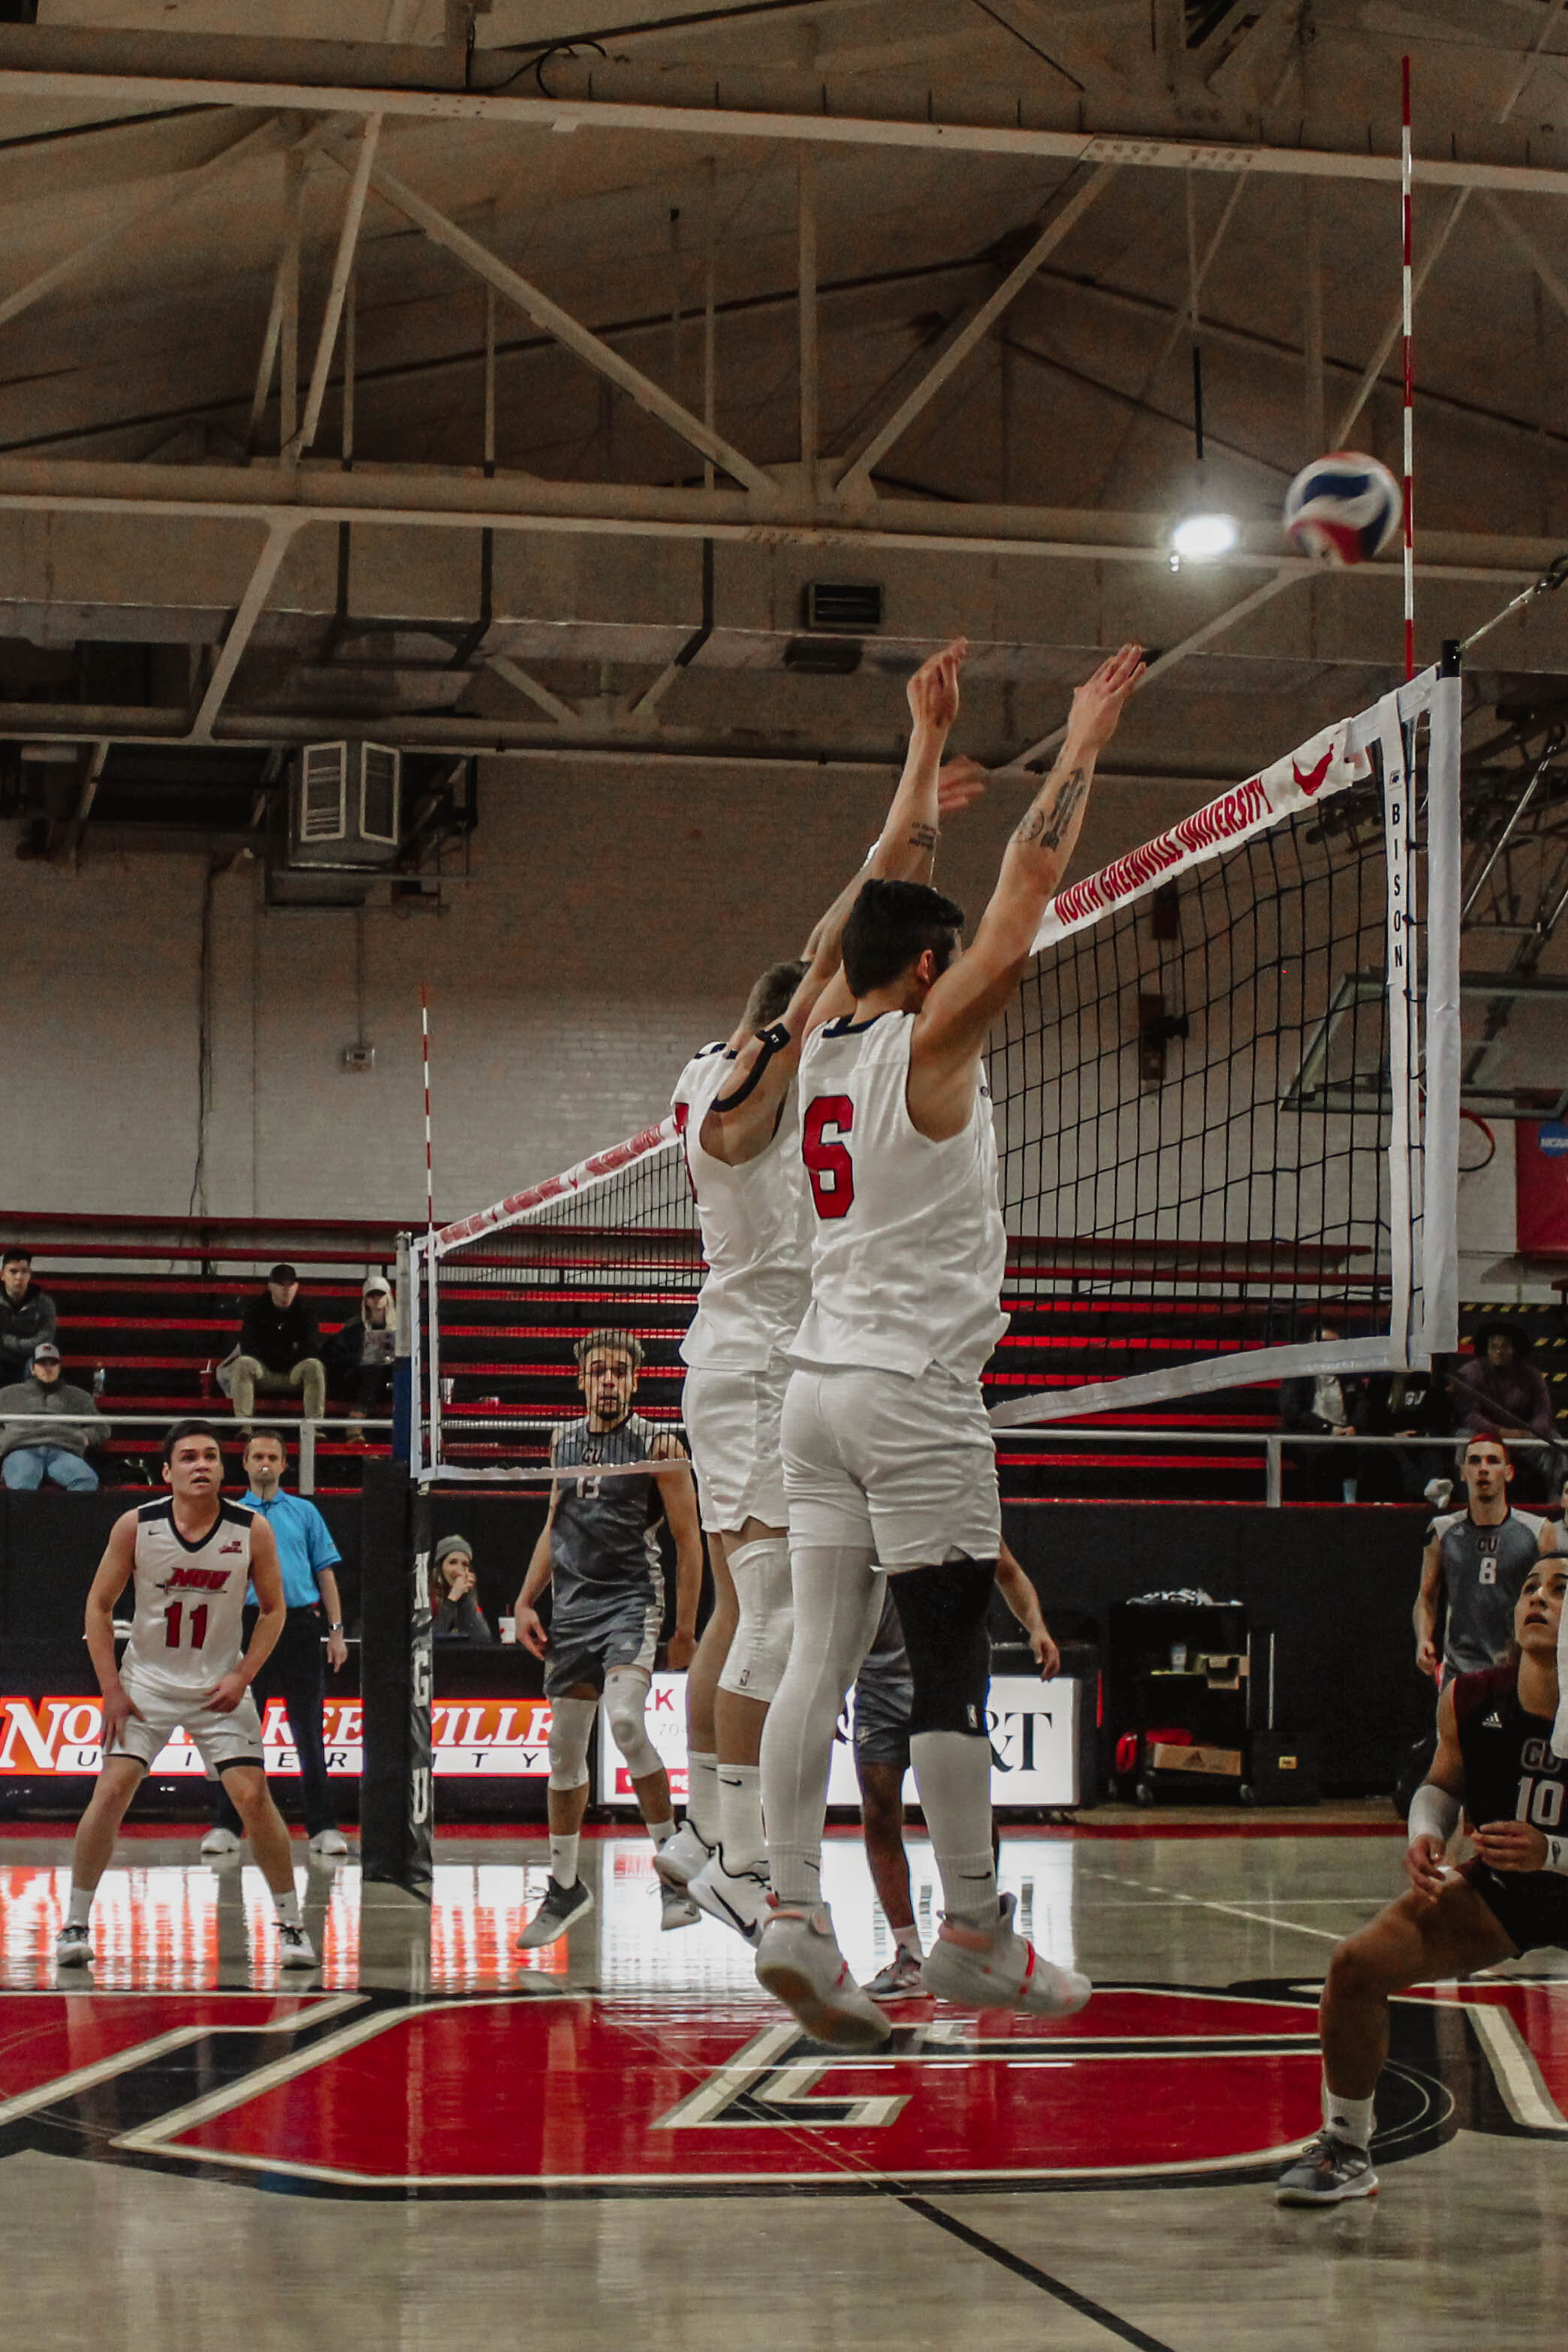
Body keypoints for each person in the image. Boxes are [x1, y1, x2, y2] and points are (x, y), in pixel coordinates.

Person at [750, 639, 1143, 2049]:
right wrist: (1085, 734)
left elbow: (861, 894)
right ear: (924, 964)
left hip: (812, 1389)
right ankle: (974, 1927)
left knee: (814, 1657)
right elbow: (1028, 894)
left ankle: (791, 1911)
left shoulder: (805, 1044)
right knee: (941, 1660)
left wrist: (919, 752)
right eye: (941, 952)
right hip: (914, 1392)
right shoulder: (925, 1046)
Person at [661, 651, 988, 1947]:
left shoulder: (737, 1069)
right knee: (786, 1613)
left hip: (766, 1360)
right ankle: (737, 1850)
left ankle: (707, 1830)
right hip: (756, 1360)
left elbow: (849, 912)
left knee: (753, 1609)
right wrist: (910, 777)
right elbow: (836, 934)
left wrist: (916, 770)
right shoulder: (751, 1090)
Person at [1276, 1556, 1568, 2203]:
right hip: (1506, 1892)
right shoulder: (1471, 1697)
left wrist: (1552, 1852)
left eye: (1560, 1589)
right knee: (1356, 1966)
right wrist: (1424, 1834)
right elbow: (1442, 1782)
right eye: (1528, 1589)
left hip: (1549, 1869)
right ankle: (1346, 2146)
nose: (1538, 1599)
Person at [54, 1419, 315, 1970]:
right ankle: (75, 1921)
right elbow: (98, 1608)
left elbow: (274, 1611)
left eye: (212, 1456)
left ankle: (292, 1924)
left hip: (217, 1685)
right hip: (147, 1681)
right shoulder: (136, 1526)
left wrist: (243, 1675)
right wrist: (111, 1689)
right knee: (112, 1790)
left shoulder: (252, 1531)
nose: (202, 1465)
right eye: (190, 1457)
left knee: (252, 1796)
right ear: (168, 1471)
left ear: (225, 1469)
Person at [512, 1329, 704, 1946]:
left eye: (618, 1372)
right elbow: (550, 1524)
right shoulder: (562, 1440)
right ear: (582, 1380)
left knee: (624, 1722)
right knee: (564, 1749)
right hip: (571, 1610)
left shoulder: (659, 1444)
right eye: (598, 1372)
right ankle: (565, 1886)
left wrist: (685, 1628)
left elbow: (688, 1540)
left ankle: (673, 1873)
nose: (608, 1382)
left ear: (634, 1379)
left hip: (630, 1603)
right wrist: (523, 1600)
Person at [855, 1540, 1058, 1997]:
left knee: (968, 1809)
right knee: (878, 1806)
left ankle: (978, 1935)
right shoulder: (866, 1496)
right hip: (878, 1679)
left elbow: (1007, 1567)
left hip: (948, 1676)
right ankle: (908, 1955)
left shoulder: (959, 1491)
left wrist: (1037, 1628)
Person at [201, 1428, 350, 1862]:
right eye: (257, 1456)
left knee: (309, 1729)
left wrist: (336, 1630)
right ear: (244, 1464)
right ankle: (227, 1825)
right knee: (239, 1731)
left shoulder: (305, 1512)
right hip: (245, 1627)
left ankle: (323, 1827)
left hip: (300, 1625)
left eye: (273, 1457)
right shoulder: (227, 1515)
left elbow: (326, 1573)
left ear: (285, 1465)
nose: (264, 1463)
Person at [1413, 1435, 1558, 1685]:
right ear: (1463, 1472)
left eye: (1493, 1461)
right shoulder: (1441, 1531)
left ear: (1508, 1472)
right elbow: (1426, 1596)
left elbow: (1558, 1599)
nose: (1483, 1468)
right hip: (1459, 1672)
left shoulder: (1538, 1531)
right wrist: (1423, 1639)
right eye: (1475, 1461)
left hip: (1518, 1671)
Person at [0, 1341, 108, 1491]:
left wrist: (83, 1436)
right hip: (21, 1449)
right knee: (23, 1484)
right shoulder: (8, 1394)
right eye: (42, 1363)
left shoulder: (78, 1397)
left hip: (61, 1451)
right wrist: (4, 1439)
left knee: (86, 1480)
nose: (48, 1368)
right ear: (32, 1368)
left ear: (59, 1367)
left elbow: (102, 1427)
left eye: (53, 1363)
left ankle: (69, 1516)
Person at [230, 1264, 327, 1425]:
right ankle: (244, 1425)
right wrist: (287, 1349)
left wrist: (277, 1350)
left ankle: (315, 1428)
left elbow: (311, 1348)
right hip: (265, 1372)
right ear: (270, 1286)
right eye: (281, 1284)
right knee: (242, 1364)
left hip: (293, 1374)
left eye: (290, 1285)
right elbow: (249, 1347)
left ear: (297, 1286)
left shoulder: (306, 1312)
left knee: (314, 1366)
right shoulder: (256, 1310)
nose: (286, 1289)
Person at [1278, 1323, 1364, 1503]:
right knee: (1320, 1455)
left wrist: (1354, 1425)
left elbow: (1363, 1404)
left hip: (1348, 1434)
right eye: (1326, 1342)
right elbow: (1293, 1411)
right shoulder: (1299, 1374)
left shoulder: (1349, 1375)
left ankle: (1355, 1505)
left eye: (1337, 1343)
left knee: (1370, 1453)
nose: (1332, 1348)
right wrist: (1328, 1428)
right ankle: (1319, 1506)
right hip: (1311, 1433)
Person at [325, 1274, 397, 1428]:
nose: (377, 1299)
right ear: (365, 1299)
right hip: (357, 1384)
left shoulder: (402, 1329)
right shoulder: (353, 1328)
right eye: (372, 1295)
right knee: (373, 1365)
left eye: (380, 1295)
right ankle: (359, 1416)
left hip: (388, 1384)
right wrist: (362, 1358)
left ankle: (358, 1420)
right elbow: (337, 1359)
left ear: (388, 1297)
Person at [0, 1247, 56, 1380]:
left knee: (41, 1361)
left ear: (30, 1275)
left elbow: (45, 1340)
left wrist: (7, 1341)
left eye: (24, 1271)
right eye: (13, 1272)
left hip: (29, 1359)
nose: (19, 1277)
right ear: (2, 1275)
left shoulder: (45, 1303)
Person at [432, 1534, 493, 1642]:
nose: (459, 1570)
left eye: (465, 1564)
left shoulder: (467, 1593)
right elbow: (430, 1639)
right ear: (440, 1566)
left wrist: (465, 1597)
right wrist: (451, 1600)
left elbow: (483, 1639)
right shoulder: (428, 1594)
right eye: (453, 1563)